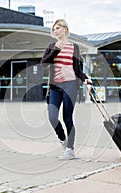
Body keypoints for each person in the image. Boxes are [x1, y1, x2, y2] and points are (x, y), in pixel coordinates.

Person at [41, 19, 91, 160]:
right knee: (52, 117)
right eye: (54, 29)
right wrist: (56, 49)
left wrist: (85, 78)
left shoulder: (74, 47)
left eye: (57, 28)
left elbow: (77, 69)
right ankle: (63, 140)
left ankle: (70, 150)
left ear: (65, 29)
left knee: (67, 118)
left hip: (70, 86)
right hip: (55, 87)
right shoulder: (52, 46)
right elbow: (44, 64)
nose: (55, 31)